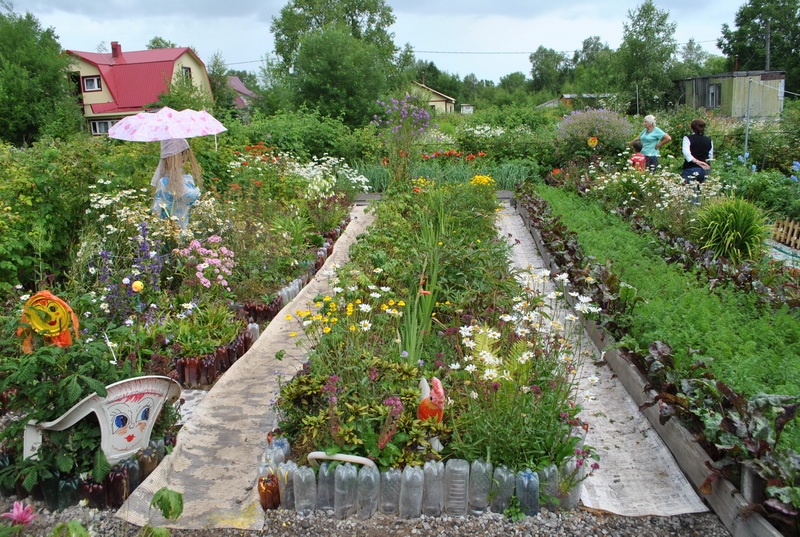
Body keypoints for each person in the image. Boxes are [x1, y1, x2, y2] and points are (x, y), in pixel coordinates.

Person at [151, 138, 202, 230]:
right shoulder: (166, 182)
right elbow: (190, 196)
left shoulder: (184, 180)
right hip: (173, 224)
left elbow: (156, 208)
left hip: (176, 223)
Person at [681, 118, 713, 184]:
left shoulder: (687, 138)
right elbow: (710, 155)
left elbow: (686, 153)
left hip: (690, 167)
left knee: (689, 190)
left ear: (691, 127)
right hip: (704, 168)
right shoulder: (709, 140)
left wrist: (697, 162)